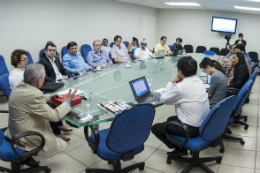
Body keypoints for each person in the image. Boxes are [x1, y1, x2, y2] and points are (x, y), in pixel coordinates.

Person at [4, 64, 78, 166]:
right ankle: (28, 154)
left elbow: (30, 98)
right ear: (39, 81)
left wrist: (51, 97)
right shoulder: (34, 95)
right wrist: (68, 101)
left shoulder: (21, 84)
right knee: (63, 146)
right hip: (24, 136)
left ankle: (27, 157)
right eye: (44, 77)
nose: (44, 79)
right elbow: (55, 116)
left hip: (13, 130)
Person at [151, 56, 209, 157]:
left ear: (180, 71)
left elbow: (164, 99)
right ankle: (181, 147)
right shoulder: (198, 80)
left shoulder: (181, 87)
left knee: (156, 128)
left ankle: (179, 149)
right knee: (170, 119)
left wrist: (171, 82)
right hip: (204, 123)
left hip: (191, 129)